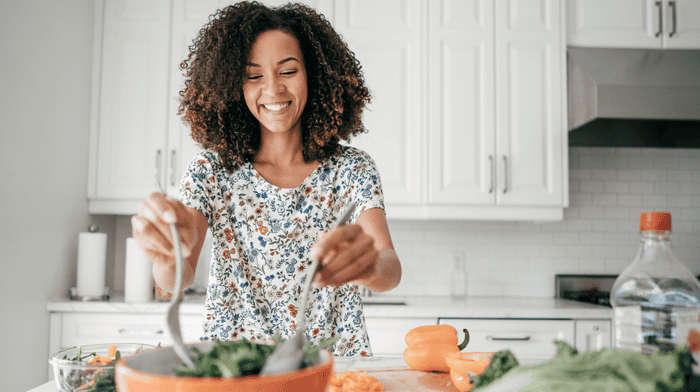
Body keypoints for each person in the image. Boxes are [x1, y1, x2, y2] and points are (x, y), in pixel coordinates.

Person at [131, 1, 401, 357]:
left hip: (334, 370)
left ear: (314, 75)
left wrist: (367, 267)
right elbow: (176, 280)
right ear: (232, 86)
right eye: (254, 76)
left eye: (287, 71)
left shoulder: (351, 168)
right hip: (237, 370)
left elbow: (389, 268)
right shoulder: (212, 171)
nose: (272, 90)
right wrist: (168, 256)